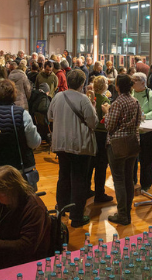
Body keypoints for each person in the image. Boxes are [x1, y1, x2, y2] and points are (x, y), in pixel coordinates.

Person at [0, 79, 43, 196]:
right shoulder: (22, 114)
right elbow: (34, 142)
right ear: (13, 95)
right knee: (22, 205)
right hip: (20, 168)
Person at [49, 69, 97, 227]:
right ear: (82, 83)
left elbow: (50, 116)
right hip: (78, 144)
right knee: (79, 180)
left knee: (63, 177)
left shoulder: (58, 96)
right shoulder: (84, 99)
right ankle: (76, 217)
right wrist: (94, 106)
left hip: (61, 143)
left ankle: (61, 209)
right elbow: (93, 123)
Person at [105, 75, 142, 225]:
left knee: (119, 180)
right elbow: (139, 121)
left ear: (118, 86)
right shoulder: (135, 101)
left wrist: (106, 112)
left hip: (117, 144)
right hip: (133, 142)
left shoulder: (117, 103)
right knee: (128, 179)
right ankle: (127, 211)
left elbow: (109, 126)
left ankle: (122, 214)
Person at [131, 72, 152, 193]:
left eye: (135, 80)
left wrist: (144, 116)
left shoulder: (150, 94)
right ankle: (132, 181)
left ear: (143, 82)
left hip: (147, 132)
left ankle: (146, 183)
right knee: (132, 159)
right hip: (133, 131)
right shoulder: (131, 93)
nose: (132, 82)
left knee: (146, 159)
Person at [87, 76, 114, 203]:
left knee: (89, 164)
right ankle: (99, 193)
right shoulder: (104, 100)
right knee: (101, 166)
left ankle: (87, 190)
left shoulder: (90, 99)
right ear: (104, 86)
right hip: (102, 135)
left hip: (90, 134)